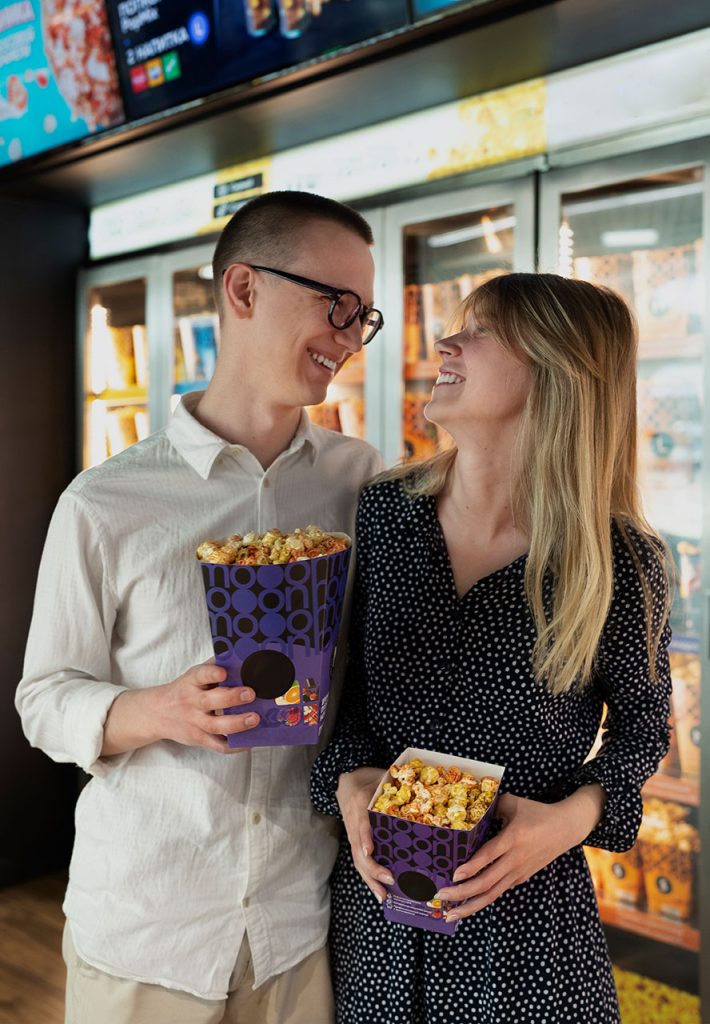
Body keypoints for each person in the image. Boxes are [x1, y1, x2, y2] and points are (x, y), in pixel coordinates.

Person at [16, 190, 385, 1024]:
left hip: (297, 927)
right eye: (335, 305)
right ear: (244, 290)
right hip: (149, 924)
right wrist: (157, 710)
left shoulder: (362, 483)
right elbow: (43, 699)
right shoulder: (107, 501)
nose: (347, 339)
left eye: (363, 318)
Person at [311, 272, 672, 1024]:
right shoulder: (385, 512)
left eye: (479, 330)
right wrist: (348, 780)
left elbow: (645, 724)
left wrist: (574, 817)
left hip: (527, 931)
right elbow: (343, 693)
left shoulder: (619, 561)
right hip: (377, 919)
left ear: (557, 368)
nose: (447, 343)